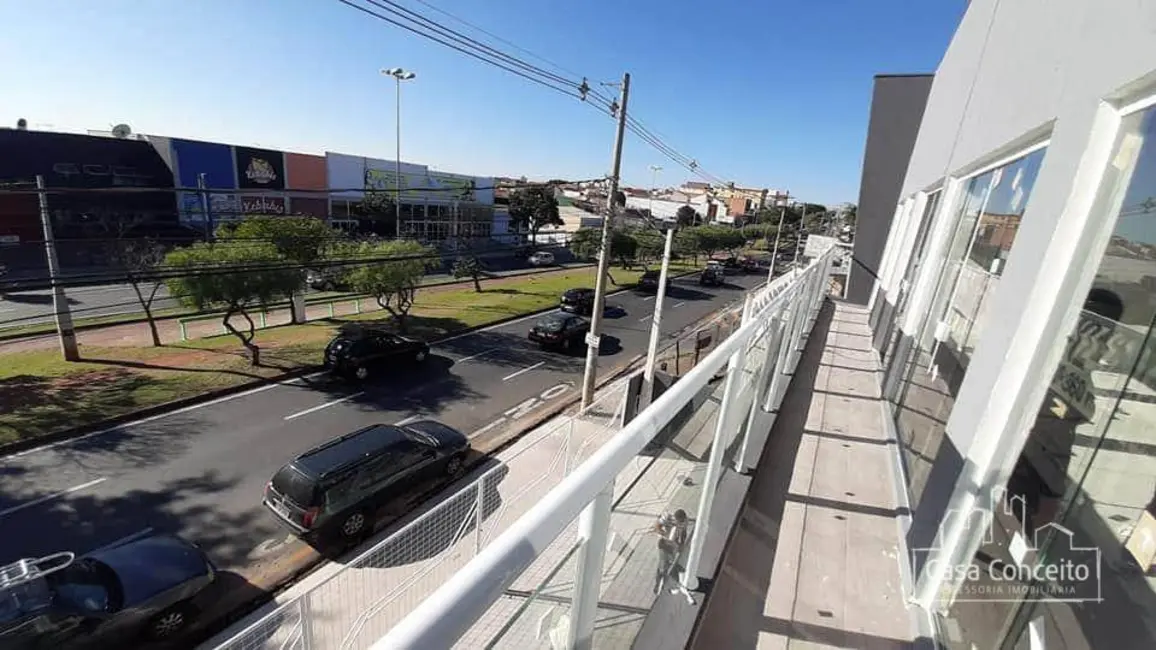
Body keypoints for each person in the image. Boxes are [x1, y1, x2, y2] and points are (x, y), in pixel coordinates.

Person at [654, 509, 689, 594]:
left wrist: (682, 544)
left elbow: (684, 532)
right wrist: (663, 533)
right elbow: (657, 526)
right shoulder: (667, 517)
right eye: (678, 521)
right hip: (663, 542)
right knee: (662, 564)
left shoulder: (685, 521)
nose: (679, 523)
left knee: (670, 563)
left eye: (681, 521)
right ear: (675, 518)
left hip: (673, 545)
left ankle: (671, 579)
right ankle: (658, 584)